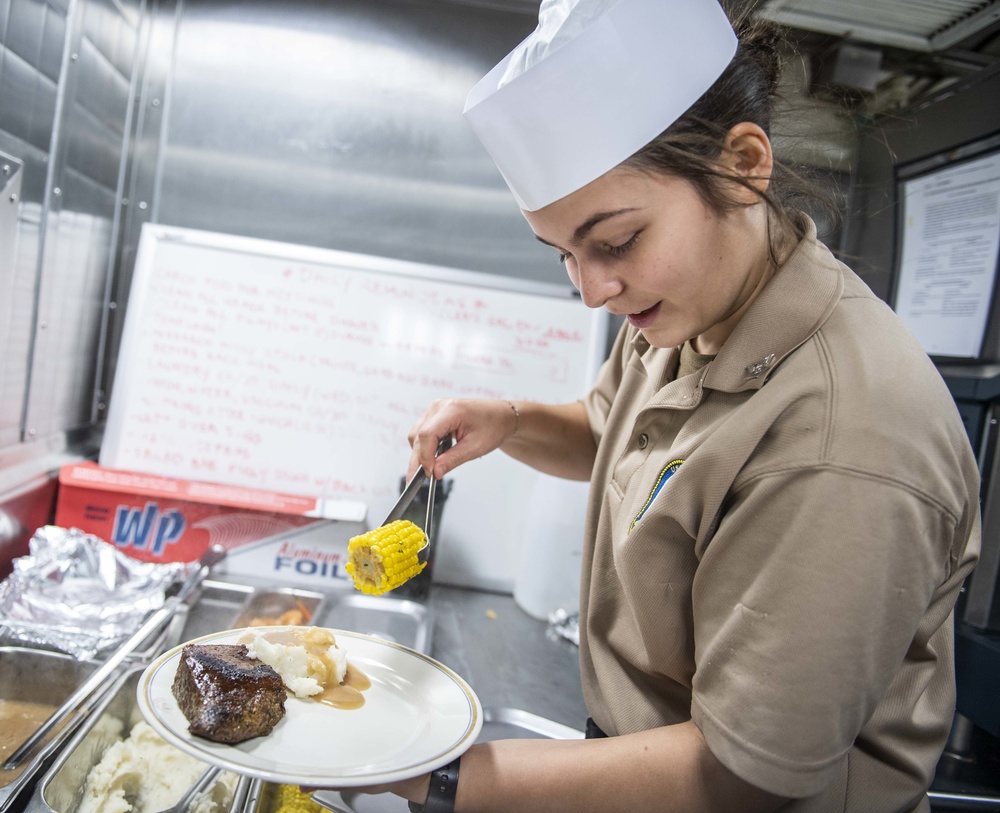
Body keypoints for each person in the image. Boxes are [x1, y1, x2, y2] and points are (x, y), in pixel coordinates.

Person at [343, 0, 982, 810]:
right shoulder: (689, 314)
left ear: (745, 164)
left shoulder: (846, 434)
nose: (592, 291)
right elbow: (612, 435)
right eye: (564, 255)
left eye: (614, 243)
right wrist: (508, 420)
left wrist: (437, 775)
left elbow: (743, 773)